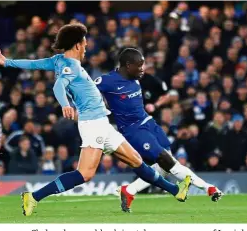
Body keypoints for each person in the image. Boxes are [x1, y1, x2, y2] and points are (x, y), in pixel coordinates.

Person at [0, 23, 190, 216]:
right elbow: (58, 86)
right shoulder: (71, 66)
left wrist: (7, 62)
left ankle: (175, 190)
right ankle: (33, 197)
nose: (86, 47)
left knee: (136, 160)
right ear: (77, 44)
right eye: (84, 43)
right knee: (85, 174)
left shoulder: (59, 60)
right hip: (93, 124)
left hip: (102, 123)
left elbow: (33, 64)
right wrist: (65, 104)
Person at [94, 48, 223, 211]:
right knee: (168, 163)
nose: (143, 69)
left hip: (149, 122)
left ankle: (129, 190)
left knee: (163, 167)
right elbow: (87, 90)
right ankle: (208, 188)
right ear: (128, 65)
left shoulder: (137, 77)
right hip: (133, 131)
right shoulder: (108, 81)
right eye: (139, 65)